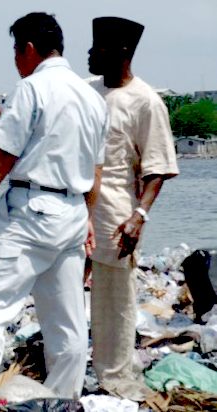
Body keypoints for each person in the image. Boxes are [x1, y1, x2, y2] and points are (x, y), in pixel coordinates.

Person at [0, 12, 109, 405]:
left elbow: (4, 155)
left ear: (28, 49)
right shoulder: (91, 99)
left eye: (16, 52)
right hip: (72, 215)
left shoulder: (30, 88)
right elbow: (95, 171)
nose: (15, 61)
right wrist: (89, 220)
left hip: (30, 212)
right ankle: (64, 398)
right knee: (65, 320)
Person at [86, 17, 179, 398]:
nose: (91, 54)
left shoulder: (146, 101)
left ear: (122, 52)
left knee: (114, 301)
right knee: (69, 291)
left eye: (100, 48)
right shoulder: (86, 91)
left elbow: (157, 168)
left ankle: (115, 377)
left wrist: (138, 216)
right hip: (73, 210)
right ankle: (73, 365)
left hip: (115, 213)